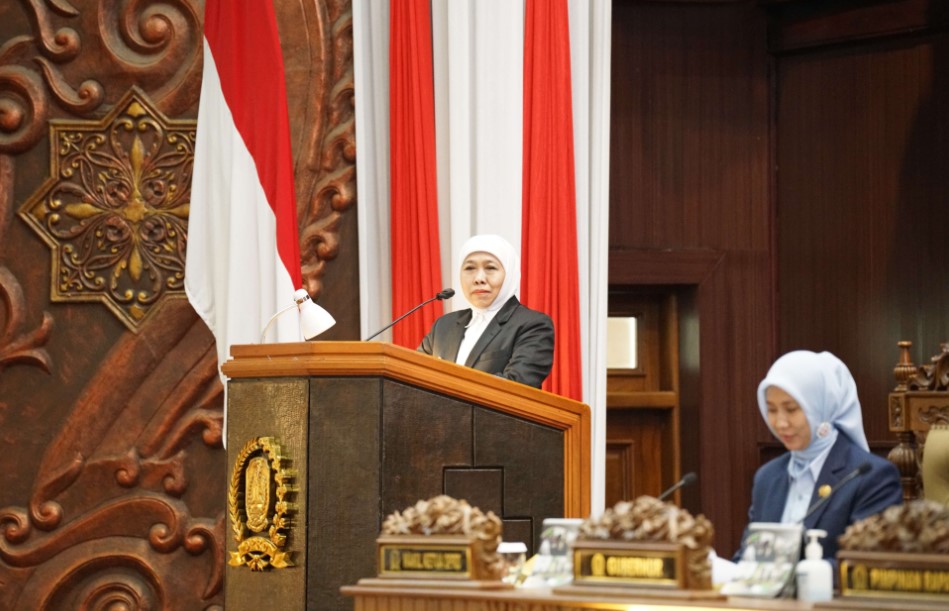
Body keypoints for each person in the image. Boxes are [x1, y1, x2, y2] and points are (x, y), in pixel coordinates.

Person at [736, 350, 902, 562]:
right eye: (772, 409)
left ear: (821, 407)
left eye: (791, 409)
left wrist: (803, 575)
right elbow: (748, 556)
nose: (780, 423)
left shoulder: (870, 477)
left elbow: (869, 563)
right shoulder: (767, 477)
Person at [418, 234, 554, 388]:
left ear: (509, 274)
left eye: (490, 268)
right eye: (469, 268)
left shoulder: (533, 325)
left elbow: (516, 386)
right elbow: (411, 375)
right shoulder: (444, 326)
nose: (479, 278)